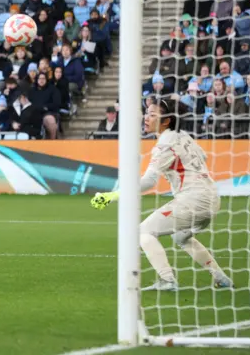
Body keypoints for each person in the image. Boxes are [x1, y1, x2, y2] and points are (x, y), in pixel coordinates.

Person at [90, 99, 233, 291]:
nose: (146, 118)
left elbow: (149, 181)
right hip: (212, 199)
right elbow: (203, 157)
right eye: (147, 113)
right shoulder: (183, 135)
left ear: (166, 121)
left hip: (193, 200)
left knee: (141, 232)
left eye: (152, 114)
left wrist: (113, 195)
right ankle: (221, 277)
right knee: (180, 238)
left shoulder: (165, 143)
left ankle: (167, 280)